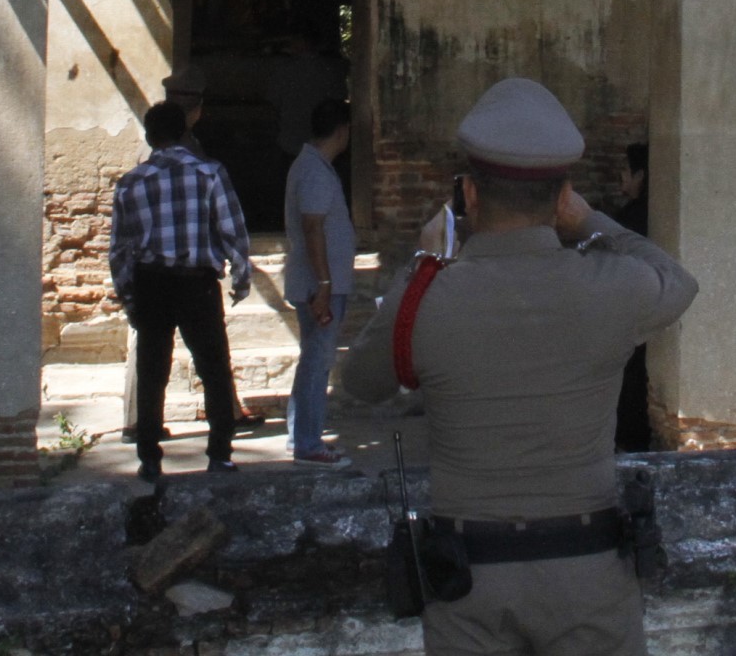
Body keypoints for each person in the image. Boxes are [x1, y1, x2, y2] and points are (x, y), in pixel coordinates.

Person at [343, 78, 698, 655]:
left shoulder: (428, 297)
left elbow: (359, 383)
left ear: (469, 195)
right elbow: (678, 282)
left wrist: (423, 261)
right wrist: (588, 221)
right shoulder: (609, 288)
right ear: (562, 196)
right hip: (589, 575)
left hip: (469, 582)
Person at [111, 98, 256, 481]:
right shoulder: (209, 174)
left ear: (149, 136)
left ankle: (150, 458)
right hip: (197, 283)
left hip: (151, 281)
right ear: (186, 133)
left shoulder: (130, 183)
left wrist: (129, 297)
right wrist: (240, 278)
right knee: (214, 369)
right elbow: (231, 229)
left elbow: (120, 251)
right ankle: (220, 453)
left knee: (152, 370)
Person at [283, 97, 356, 464]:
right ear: (341, 131)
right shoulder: (313, 170)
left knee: (312, 358)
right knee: (317, 361)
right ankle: (308, 442)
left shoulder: (314, 166)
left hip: (320, 282)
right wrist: (325, 285)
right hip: (319, 285)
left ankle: (300, 433)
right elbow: (313, 227)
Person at [611, 143, 651, 452]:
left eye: (627, 172)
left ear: (642, 175)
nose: (622, 179)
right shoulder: (635, 215)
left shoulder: (631, 219)